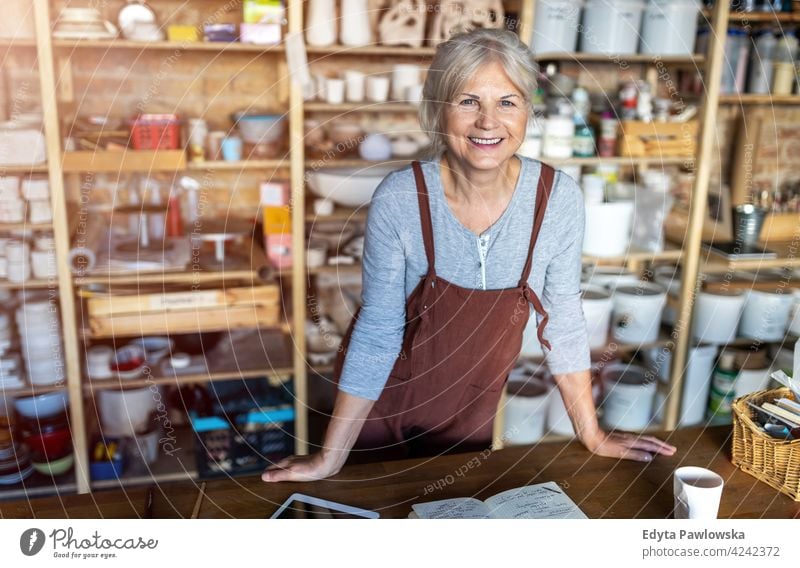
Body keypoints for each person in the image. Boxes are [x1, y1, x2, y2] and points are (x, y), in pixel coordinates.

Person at [263, 27, 676, 483]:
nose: (488, 122)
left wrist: (591, 433)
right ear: (438, 110)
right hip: (377, 403)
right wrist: (329, 457)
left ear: (527, 111)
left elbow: (562, 321)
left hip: (472, 406)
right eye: (467, 101)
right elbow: (378, 330)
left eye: (507, 101)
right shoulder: (401, 198)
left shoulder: (556, 199)